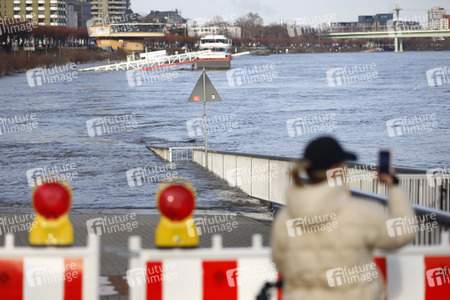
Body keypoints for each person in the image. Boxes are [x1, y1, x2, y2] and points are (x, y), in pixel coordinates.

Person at [271, 136, 416, 300]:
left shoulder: (285, 217)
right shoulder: (361, 212)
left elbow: (280, 263)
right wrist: (394, 186)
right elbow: (403, 232)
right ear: (336, 169)